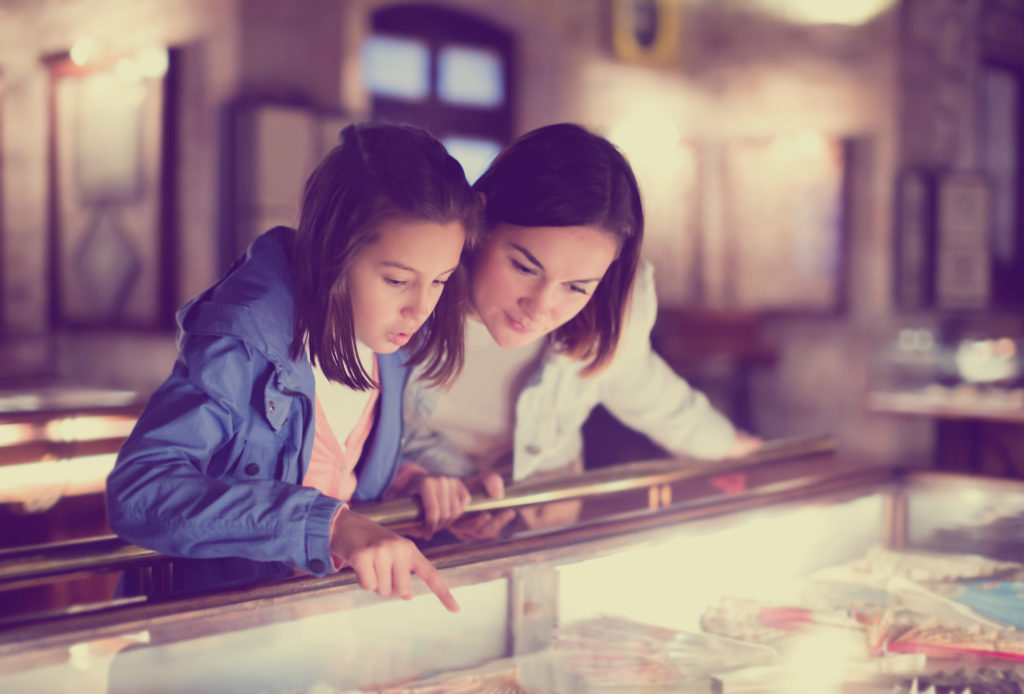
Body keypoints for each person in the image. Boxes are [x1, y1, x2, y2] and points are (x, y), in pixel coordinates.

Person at [105, 122, 481, 611]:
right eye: (396, 279)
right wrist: (328, 526)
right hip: (209, 635)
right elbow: (140, 491)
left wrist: (411, 485)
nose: (420, 309)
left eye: (440, 281)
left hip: (313, 628)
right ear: (333, 250)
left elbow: (337, 472)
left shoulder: (393, 345)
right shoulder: (244, 344)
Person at [400, 123, 761, 539]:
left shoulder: (611, 308)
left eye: (576, 287)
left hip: (541, 525)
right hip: (413, 519)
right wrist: (449, 483)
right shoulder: (410, 286)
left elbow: (644, 388)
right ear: (479, 219)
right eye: (523, 267)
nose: (540, 306)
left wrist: (732, 447)